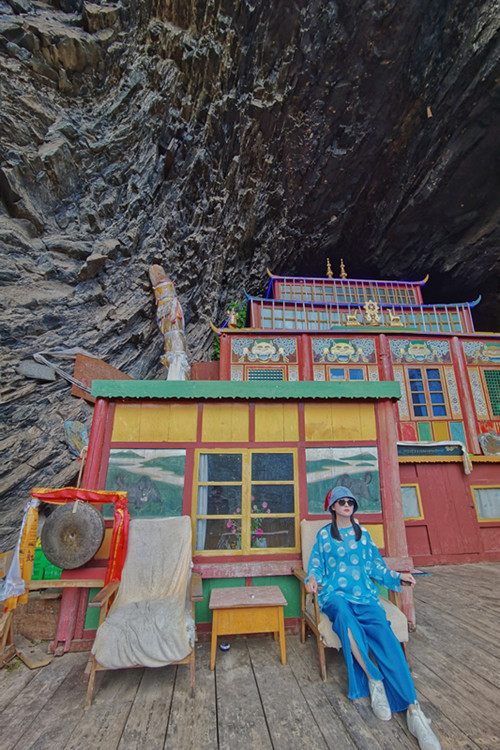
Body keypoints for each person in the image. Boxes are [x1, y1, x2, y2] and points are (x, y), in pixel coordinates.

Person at [305, 486, 440, 750]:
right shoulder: (323, 535)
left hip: (365, 596)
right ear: (332, 506)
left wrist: (398, 577)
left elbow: (376, 567)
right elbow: (316, 566)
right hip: (335, 595)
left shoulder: (363, 534)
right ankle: (374, 678)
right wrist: (311, 578)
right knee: (343, 616)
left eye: (350, 501)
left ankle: (414, 711)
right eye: (341, 501)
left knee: (386, 637)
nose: (347, 505)